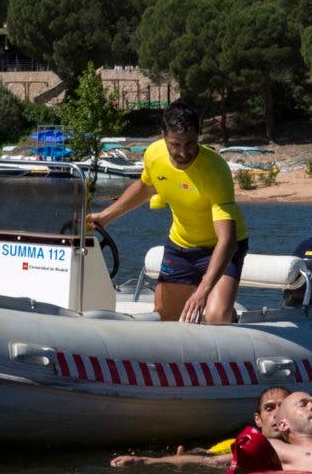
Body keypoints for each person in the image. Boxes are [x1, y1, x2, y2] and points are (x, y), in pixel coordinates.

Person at [87, 100, 247, 324]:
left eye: (190, 143)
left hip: (220, 248)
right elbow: (145, 187)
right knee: (164, 316)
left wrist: (203, 289)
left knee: (215, 317)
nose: (183, 152)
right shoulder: (154, 155)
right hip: (181, 245)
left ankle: (229, 315)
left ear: (199, 135)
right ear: (163, 135)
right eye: (175, 144)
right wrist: (105, 217)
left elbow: (227, 240)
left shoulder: (215, 170)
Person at [109, 387, 289, 467]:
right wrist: (146, 461)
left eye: (283, 406)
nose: (277, 413)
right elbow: (205, 459)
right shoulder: (237, 445)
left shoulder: (311, 445)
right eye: (269, 408)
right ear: (258, 420)